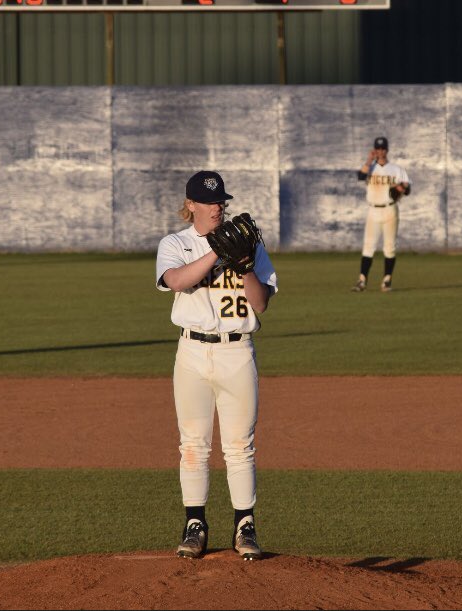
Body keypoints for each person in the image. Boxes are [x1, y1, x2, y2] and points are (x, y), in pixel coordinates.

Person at [155, 170, 278, 561]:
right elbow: (175, 281)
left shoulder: (249, 245)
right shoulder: (176, 243)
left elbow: (260, 303)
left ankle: (245, 526)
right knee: (192, 445)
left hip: (237, 352)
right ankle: (195, 525)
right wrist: (217, 253)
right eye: (209, 201)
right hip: (191, 352)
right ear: (190, 205)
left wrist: (243, 265)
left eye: (221, 200)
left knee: (240, 446)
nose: (218, 207)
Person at [353, 136, 410, 292]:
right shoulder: (370, 168)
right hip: (373, 210)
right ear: (374, 150)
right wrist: (368, 160)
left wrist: (402, 188)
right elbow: (360, 177)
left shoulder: (397, 169)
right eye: (377, 149)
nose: (380, 151)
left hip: (390, 209)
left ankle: (387, 280)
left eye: (383, 149)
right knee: (368, 246)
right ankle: (362, 280)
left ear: (387, 150)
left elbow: (408, 189)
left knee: (389, 247)